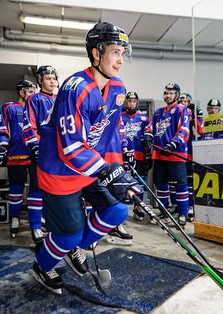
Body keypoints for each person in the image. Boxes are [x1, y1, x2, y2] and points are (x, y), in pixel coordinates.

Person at [32, 22, 141, 294]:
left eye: (122, 53)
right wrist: (105, 171)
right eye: (115, 52)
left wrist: (118, 171)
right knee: (68, 233)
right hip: (58, 169)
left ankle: (75, 250)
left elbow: (109, 134)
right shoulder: (74, 87)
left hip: (89, 167)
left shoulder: (117, 88)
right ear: (96, 53)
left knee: (117, 210)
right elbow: (70, 148)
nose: (120, 60)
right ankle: (43, 265)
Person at [0, 80, 40, 241]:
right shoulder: (10, 108)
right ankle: (15, 218)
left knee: (38, 191)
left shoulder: (37, 109)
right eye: (30, 91)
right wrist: (2, 146)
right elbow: (3, 129)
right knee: (15, 190)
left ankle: (37, 220)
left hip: (36, 157)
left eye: (34, 91)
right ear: (21, 92)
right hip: (16, 156)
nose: (33, 94)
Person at [20, 65, 59, 243]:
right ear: (40, 81)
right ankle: (35, 227)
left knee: (55, 190)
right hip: (41, 152)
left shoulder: (61, 99)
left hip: (59, 154)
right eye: (48, 78)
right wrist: (35, 146)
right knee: (36, 189)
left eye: (53, 78)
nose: (52, 81)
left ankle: (52, 223)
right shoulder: (34, 99)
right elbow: (28, 124)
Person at [142, 82, 190, 226]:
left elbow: (185, 131)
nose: (168, 96)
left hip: (176, 154)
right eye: (166, 93)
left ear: (177, 95)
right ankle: (164, 212)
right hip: (159, 155)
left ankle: (182, 213)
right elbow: (150, 127)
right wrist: (148, 135)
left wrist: (172, 145)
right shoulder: (158, 112)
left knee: (180, 185)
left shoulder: (181, 109)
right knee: (160, 184)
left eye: (171, 93)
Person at [120, 91, 151, 223]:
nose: (131, 103)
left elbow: (148, 137)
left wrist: (148, 154)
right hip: (122, 155)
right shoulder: (120, 116)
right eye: (129, 101)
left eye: (134, 101)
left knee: (139, 183)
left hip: (138, 155)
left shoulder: (144, 119)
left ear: (137, 103)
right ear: (126, 102)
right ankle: (121, 210)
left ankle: (138, 208)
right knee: (121, 182)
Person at [178, 92, 203, 222]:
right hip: (179, 152)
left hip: (191, 151)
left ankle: (191, 206)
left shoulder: (192, 113)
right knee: (180, 182)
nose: (183, 103)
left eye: (185, 101)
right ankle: (180, 208)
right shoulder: (177, 113)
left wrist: (194, 116)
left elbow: (200, 131)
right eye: (181, 100)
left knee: (191, 181)